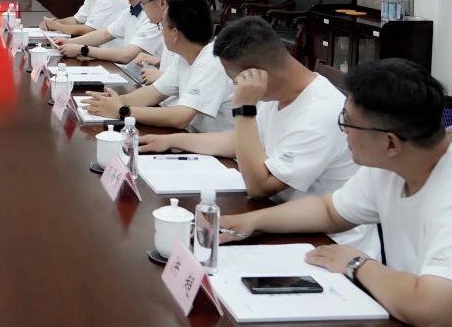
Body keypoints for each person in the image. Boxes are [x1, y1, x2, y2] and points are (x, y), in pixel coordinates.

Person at [219, 59, 452, 327]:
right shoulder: (397, 160)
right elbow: (331, 211)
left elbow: (433, 311)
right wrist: (249, 222)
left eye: (347, 122)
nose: (343, 131)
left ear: (390, 142)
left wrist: (357, 264)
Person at [139, 17, 371, 249]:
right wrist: (174, 140)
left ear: (256, 75)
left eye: (235, 81)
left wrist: (245, 108)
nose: (235, 87)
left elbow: (260, 187)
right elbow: (240, 142)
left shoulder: (320, 112)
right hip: (276, 216)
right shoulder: (276, 93)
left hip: (326, 241)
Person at [83, 0, 234, 132]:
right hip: (193, 136)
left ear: (175, 33)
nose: (161, 31)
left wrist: (122, 110)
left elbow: (181, 118)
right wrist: (112, 101)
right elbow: (153, 93)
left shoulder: (211, 62)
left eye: (162, 25)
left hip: (217, 147)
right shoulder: (186, 55)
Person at [55, 0, 166, 81]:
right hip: (127, 76)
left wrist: (82, 49)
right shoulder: (129, 12)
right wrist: (69, 42)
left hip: (142, 83)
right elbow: (105, 34)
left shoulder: (152, 17)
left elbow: (125, 56)